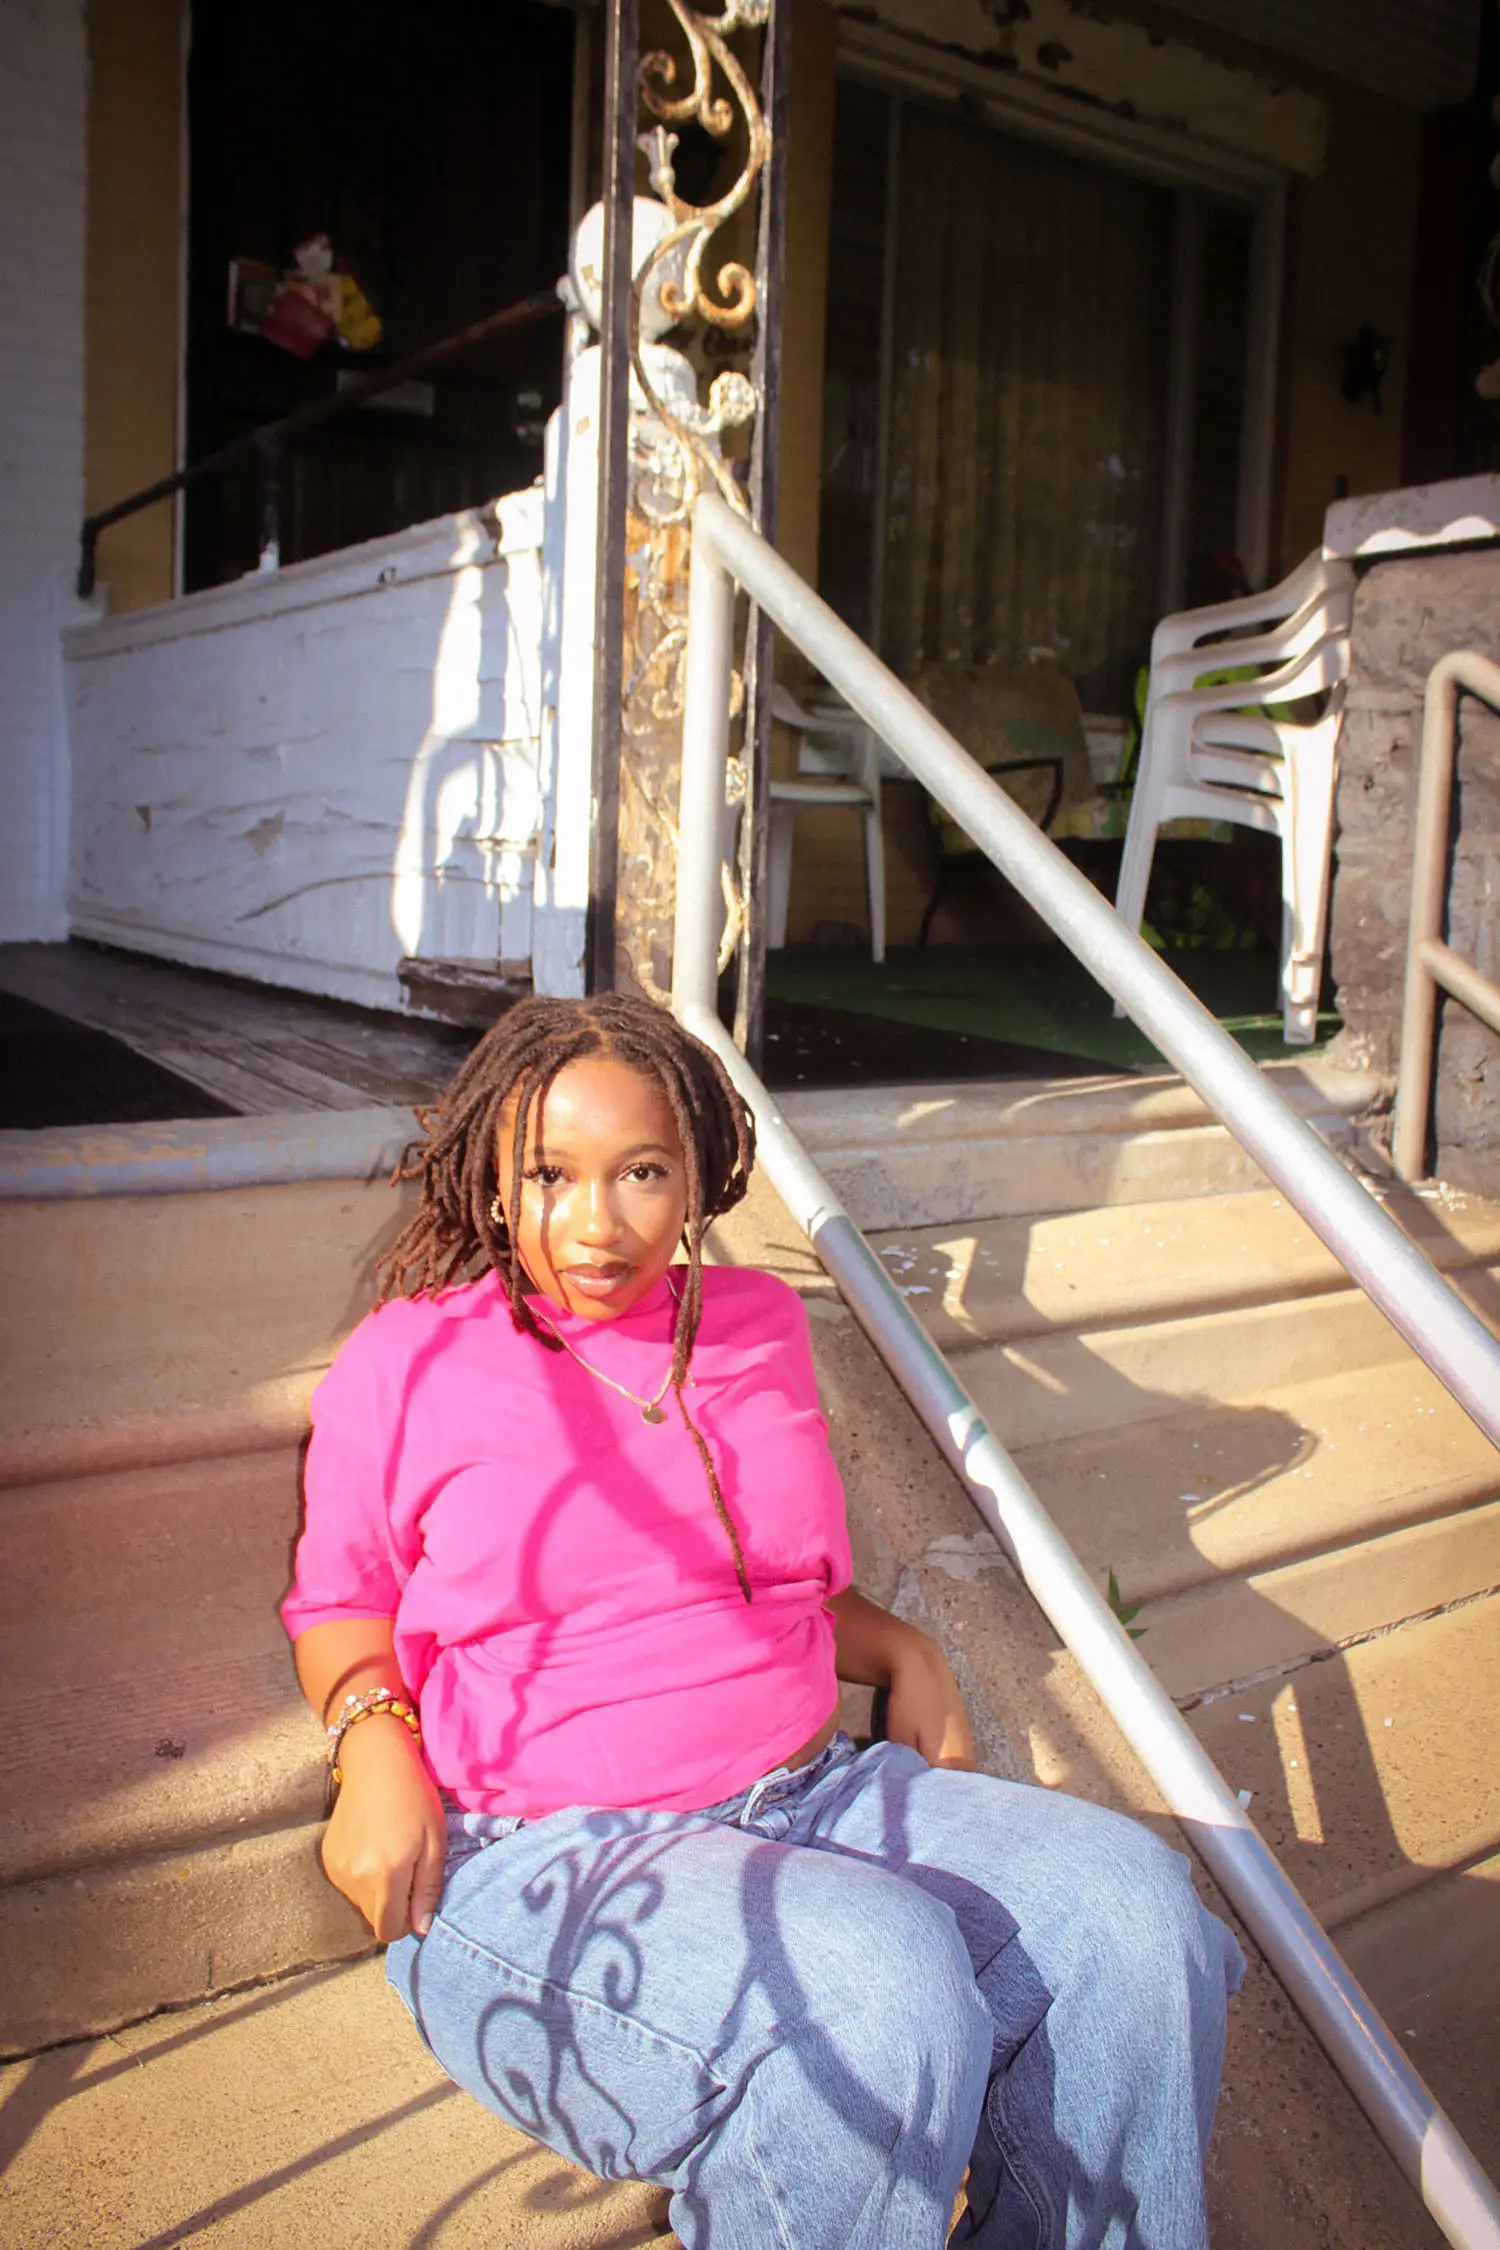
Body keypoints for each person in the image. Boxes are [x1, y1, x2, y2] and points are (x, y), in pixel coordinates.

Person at [283, 991, 1244, 2249]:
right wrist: (371, 1744)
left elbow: (770, 1576)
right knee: (876, 1990)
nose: (595, 1222)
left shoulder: (756, 1327)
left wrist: (895, 1644)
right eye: (549, 1175)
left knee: (1134, 1917)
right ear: (491, 1182)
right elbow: (342, 1598)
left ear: (699, 1175)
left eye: (640, 1172)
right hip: (536, 1855)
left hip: (805, 1798)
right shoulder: (408, 1358)